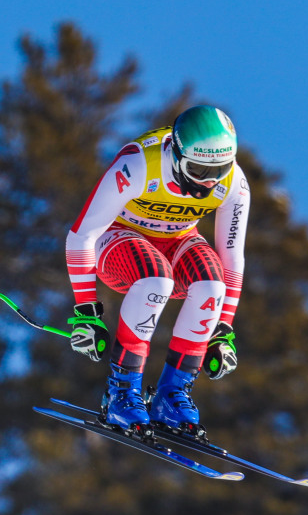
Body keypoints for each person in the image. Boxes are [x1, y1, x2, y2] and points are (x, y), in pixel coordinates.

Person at [65, 105, 250, 438]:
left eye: (220, 169)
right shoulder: (139, 164)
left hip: (178, 241)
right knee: (157, 278)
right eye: (197, 169)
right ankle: (122, 391)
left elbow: (232, 257)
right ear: (176, 154)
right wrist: (86, 313)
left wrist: (223, 329)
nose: (208, 182)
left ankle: (172, 395)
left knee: (211, 285)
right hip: (119, 241)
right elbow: (82, 235)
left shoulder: (234, 182)